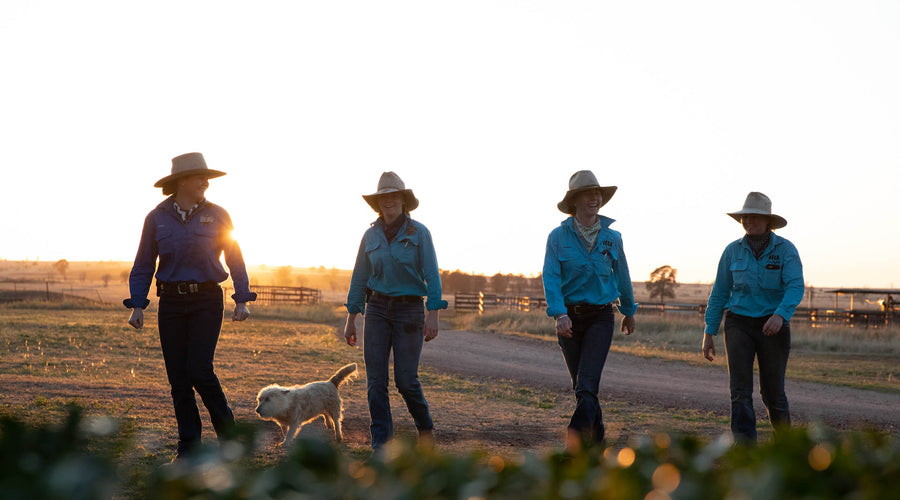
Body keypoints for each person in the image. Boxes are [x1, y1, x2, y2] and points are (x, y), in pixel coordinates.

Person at [124, 152, 257, 459]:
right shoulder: (156, 218)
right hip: (170, 302)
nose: (206, 183)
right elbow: (144, 263)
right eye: (200, 177)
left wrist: (242, 298)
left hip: (207, 300)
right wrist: (138, 304)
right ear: (182, 181)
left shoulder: (219, 215)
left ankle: (230, 439)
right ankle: (189, 449)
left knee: (199, 369)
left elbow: (235, 258)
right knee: (178, 380)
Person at [344, 171, 447, 451]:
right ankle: (381, 446)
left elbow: (432, 274)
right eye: (383, 198)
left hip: (409, 311)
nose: (389, 201)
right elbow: (359, 277)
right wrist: (351, 317)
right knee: (376, 382)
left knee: (405, 380)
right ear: (378, 203)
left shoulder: (419, 233)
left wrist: (433, 313)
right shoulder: (370, 235)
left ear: (403, 200)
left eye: (394, 196)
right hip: (376, 309)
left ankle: (425, 427)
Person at [542, 170, 637, 451]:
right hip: (568, 318)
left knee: (586, 386)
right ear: (575, 200)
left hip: (601, 317)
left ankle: (574, 443)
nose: (595, 198)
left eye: (598, 194)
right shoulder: (558, 237)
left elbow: (623, 276)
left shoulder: (613, 237)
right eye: (588, 194)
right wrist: (559, 314)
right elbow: (550, 277)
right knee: (583, 389)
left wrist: (629, 311)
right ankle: (598, 443)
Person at [702, 192, 804, 443]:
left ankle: (786, 446)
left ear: (768, 220)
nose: (749, 221)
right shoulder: (732, 252)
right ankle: (744, 450)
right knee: (739, 391)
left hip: (773, 325)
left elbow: (795, 286)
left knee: (773, 393)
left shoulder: (786, 250)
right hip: (738, 324)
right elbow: (719, 293)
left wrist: (780, 315)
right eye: (745, 217)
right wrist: (709, 331)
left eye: (755, 217)